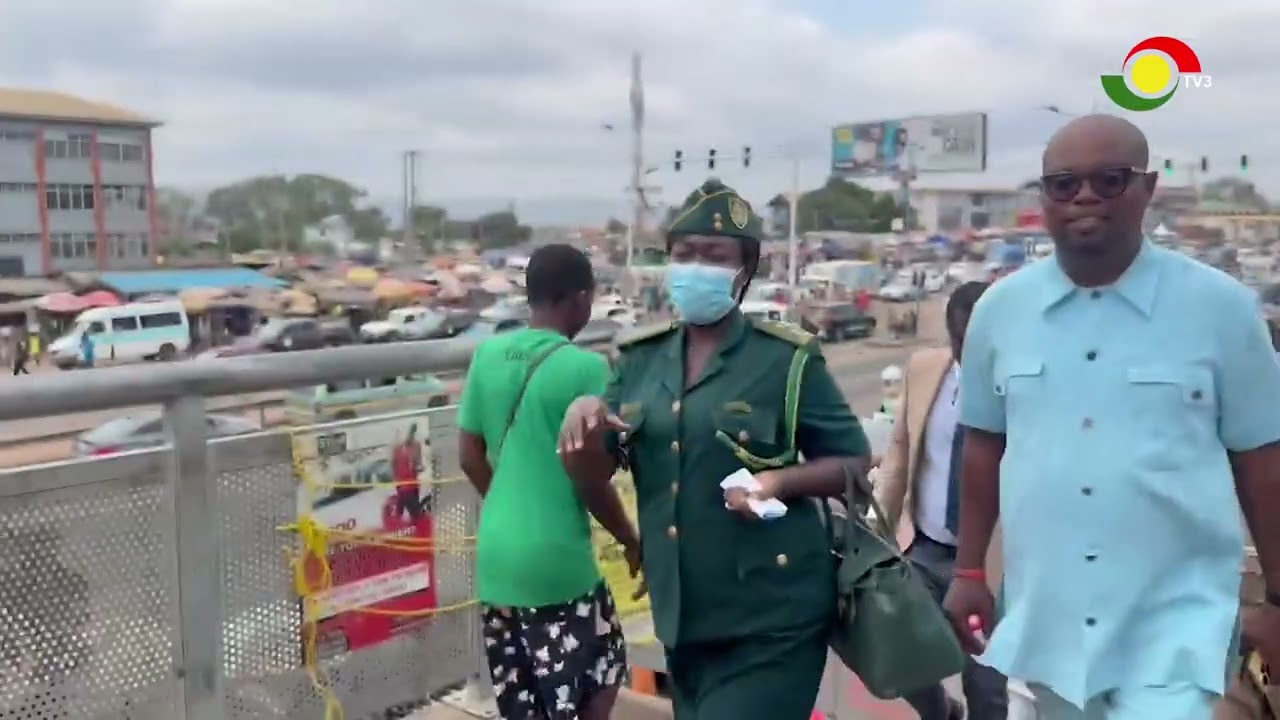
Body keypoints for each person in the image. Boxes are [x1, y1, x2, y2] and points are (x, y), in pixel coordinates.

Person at [944, 114, 1280, 719]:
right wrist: (968, 569)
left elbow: (1262, 463)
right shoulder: (999, 311)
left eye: (1109, 180)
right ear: (1044, 197)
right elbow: (983, 445)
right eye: (1064, 184)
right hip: (1049, 625)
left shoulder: (1223, 310)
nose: (1085, 197)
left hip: (1178, 625)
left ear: (1147, 188)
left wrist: (1278, 601)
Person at [558, 179, 871, 720]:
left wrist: (777, 482)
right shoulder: (639, 360)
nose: (695, 267)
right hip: (684, 618)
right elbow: (592, 471)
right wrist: (581, 421)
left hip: (773, 617)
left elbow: (855, 463)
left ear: (745, 270)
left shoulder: (785, 360)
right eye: (684, 253)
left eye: (714, 256)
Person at [457, 243, 632, 720]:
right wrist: (630, 539)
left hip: (497, 553)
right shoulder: (587, 368)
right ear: (579, 299)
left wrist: (507, 502)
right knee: (602, 670)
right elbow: (592, 481)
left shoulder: (487, 354)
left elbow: (468, 455)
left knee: (525, 702)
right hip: (557, 562)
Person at [875, 281, 1008, 720]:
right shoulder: (925, 369)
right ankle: (941, 714)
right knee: (899, 656)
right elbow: (900, 452)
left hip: (989, 565)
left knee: (987, 688)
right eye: (964, 341)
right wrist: (877, 529)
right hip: (922, 549)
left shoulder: (1024, 387)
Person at [391, 423, 425, 522]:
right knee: (415, 515)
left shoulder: (415, 446)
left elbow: (417, 465)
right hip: (405, 486)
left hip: (411, 485)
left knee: (411, 513)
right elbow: (394, 467)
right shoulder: (398, 449)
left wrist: (418, 467)